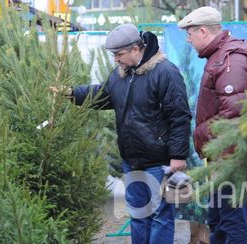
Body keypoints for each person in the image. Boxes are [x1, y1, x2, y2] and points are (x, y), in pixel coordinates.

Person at [55, 23, 192, 243]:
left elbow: (179, 117)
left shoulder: (166, 73)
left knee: (160, 215)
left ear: (136, 49)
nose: (116, 59)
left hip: (160, 161)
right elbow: (100, 94)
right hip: (131, 160)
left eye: (119, 54)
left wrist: (177, 155)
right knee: (139, 214)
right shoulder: (120, 75)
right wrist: (71, 93)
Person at [178, 6, 247, 244]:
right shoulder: (220, 57)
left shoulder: (230, 60)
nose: (188, 40)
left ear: (202, 31)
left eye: (190, 34)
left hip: (232, 159)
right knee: (218, 221)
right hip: (222, 157)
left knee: (231, 223)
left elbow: (234, 114)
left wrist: (201, 132)